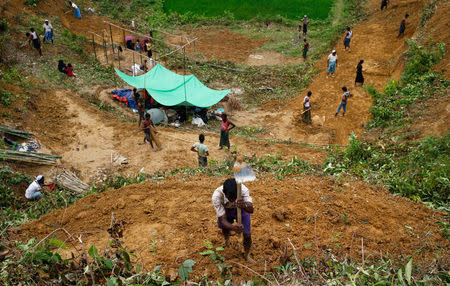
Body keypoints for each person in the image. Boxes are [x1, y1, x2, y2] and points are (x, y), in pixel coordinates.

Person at [212, 178, 254, 261]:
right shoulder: (217, 196)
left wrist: (244, 205)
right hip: (226, 210)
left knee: (247, 235)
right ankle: (227, 240)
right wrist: (233, 228)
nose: (233, 200)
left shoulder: (243, 190)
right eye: (230, 198)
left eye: (235, 197)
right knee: (225, 228)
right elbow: (223, 220)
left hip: (241, 209)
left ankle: (247, 254)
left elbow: (251, 210)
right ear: (224, 192)